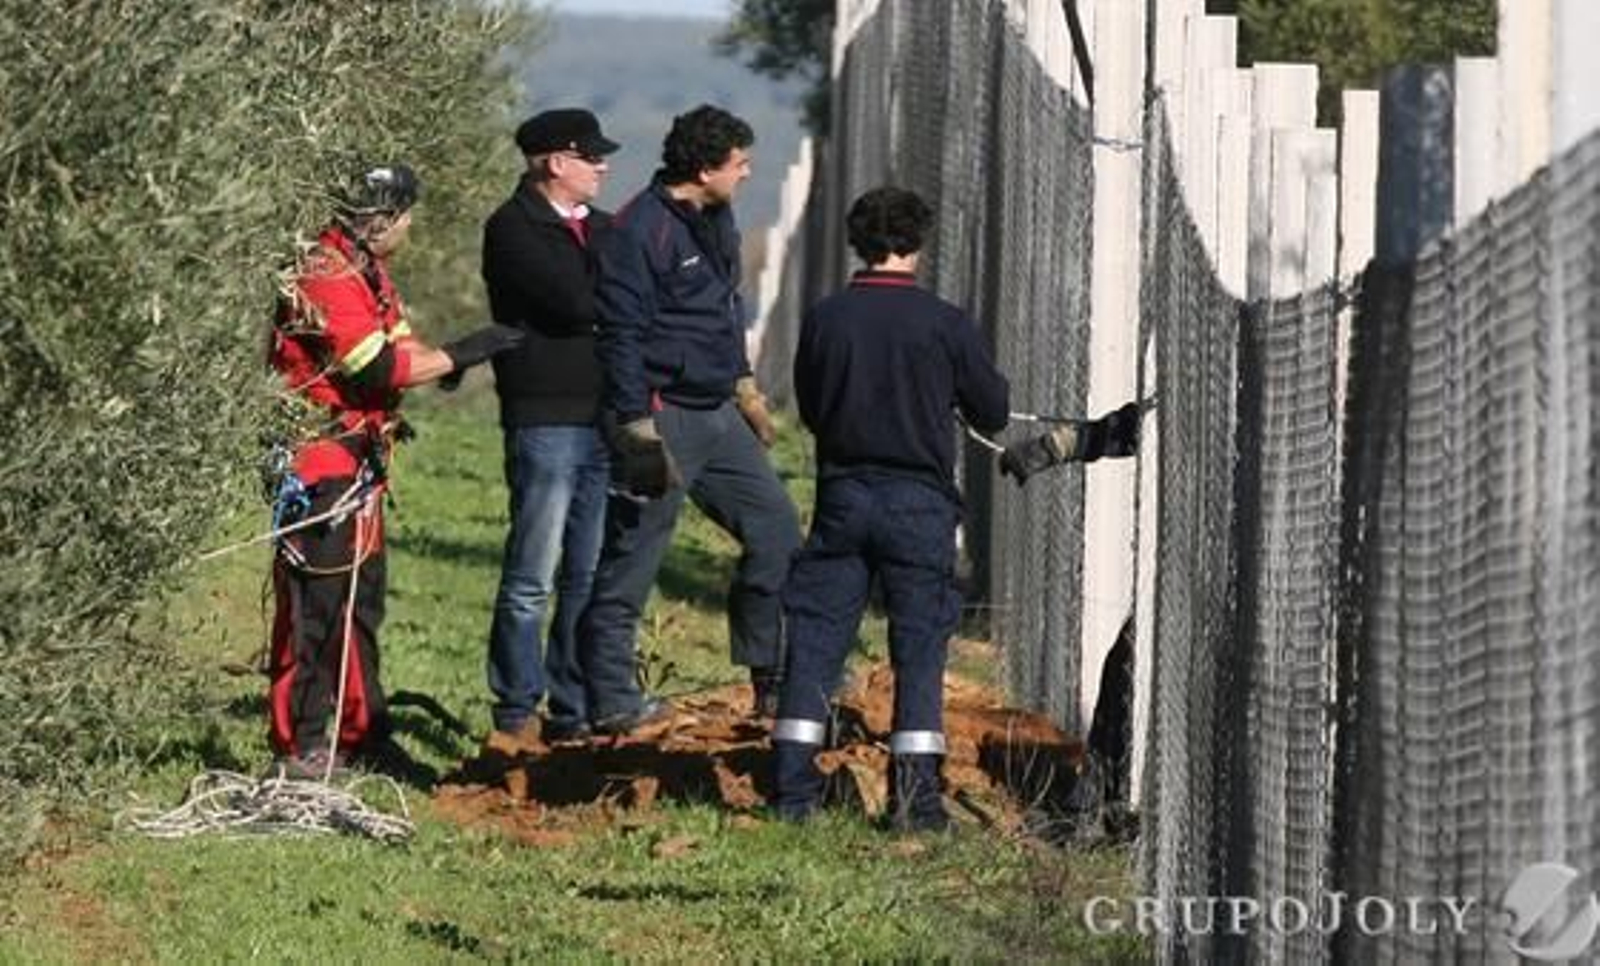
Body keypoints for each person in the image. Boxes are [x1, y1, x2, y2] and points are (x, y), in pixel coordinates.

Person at [769, 186, 1140, 831]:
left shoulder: (826, 318)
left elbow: (811, 406)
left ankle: (791, 793)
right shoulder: (944, 323)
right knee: (918, 648)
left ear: (860, 243)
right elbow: (992, 410)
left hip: (844, 494)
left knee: (817, 637)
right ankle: (914, 803)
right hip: (918, 503)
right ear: (917, 245)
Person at [266, 164, 523, 778]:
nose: (409, 227)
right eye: (405, 217)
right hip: (319, 462)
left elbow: (402, 349)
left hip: (359, 461)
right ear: (381, 219)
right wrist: (465, 353)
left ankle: (363, 735)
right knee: (315, 608)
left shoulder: (366, 270)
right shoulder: (323, 274)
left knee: (361, 605)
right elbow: (376, 369)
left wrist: (442, 360)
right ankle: (301, 745)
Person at [579, 104, 802, 734]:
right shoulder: (637, 231)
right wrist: (635, 426)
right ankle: (612, 701)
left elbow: (724, 311)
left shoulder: (717, 217)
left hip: (717, 412)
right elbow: (620, 334)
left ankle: (775, 679)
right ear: (704, 169)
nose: (748, 172)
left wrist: (745, 387)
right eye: (739, 163)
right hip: (661, 412)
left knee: (778, 532)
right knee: (634, 558)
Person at [479, 109, 619, 745]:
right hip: (545, 415)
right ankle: (515, 703)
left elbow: (624, 299)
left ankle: (573, 704)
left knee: (586, 572)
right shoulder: (513, 229)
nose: (603, 166)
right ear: (555, 163)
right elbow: (572, 304)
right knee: (533, 573)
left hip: (603, 416)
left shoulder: (607, 230)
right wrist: (609, 300)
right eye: (591, 157)